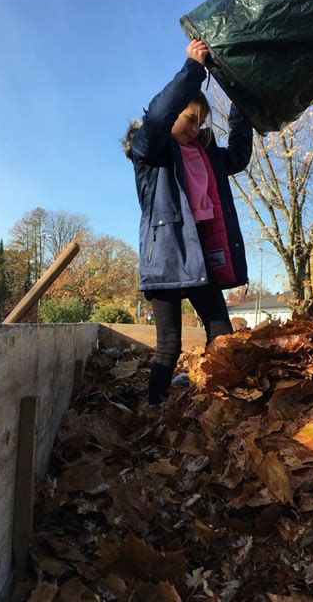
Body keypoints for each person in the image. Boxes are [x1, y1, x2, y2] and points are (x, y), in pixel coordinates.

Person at [123, 39, 253, 405]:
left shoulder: (205, 154)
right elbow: (158, 115)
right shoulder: (151, 151)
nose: (195, 128)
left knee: (220, 332)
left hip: (199, 255)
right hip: (165, 256)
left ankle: (215, 401)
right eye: (188, 119)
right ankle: (155, 406)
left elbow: (239, 157)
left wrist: (241, 112)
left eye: (200, 122)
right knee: (170, 343)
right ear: (174, 116)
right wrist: (194, 69)